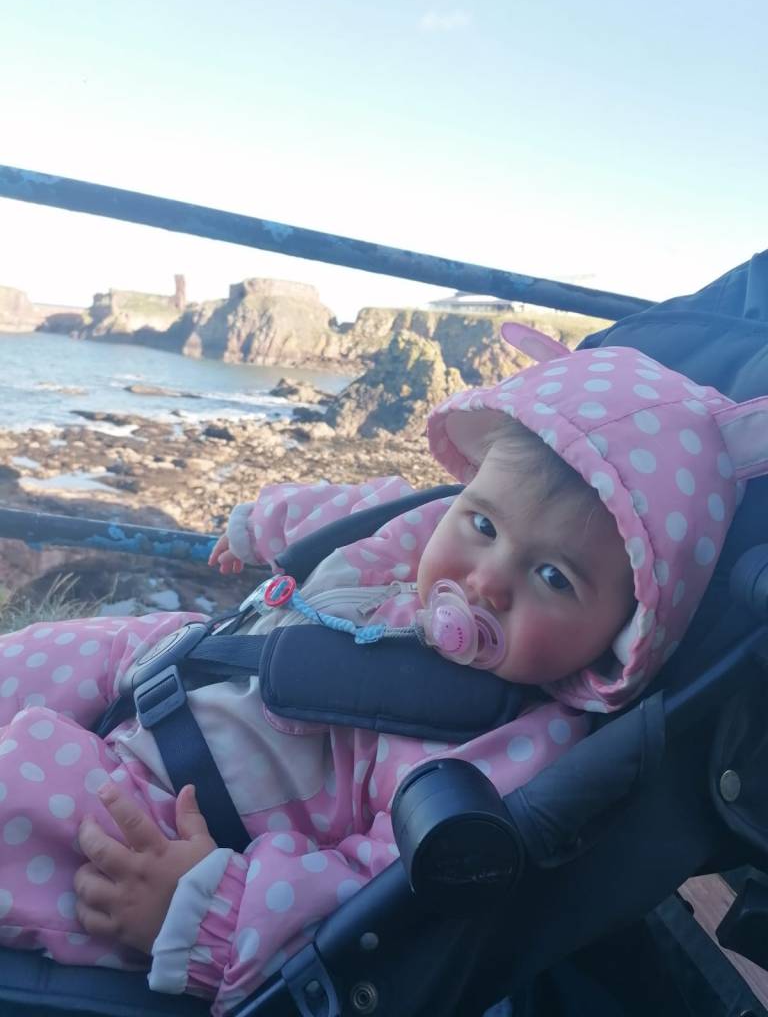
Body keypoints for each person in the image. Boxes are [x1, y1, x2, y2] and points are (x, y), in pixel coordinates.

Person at [0, 325, 765, 1015]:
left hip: (184, 806)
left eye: (553, 578)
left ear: (624, 632)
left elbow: (376, 889)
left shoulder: (511, 747)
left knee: (25, 785)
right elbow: (347, 509)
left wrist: (214, 913)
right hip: (190, 659)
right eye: (482, 523)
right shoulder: (418, 527)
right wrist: (256, 523)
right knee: (35, 654)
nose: (486, 580)